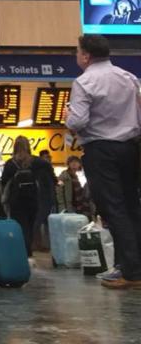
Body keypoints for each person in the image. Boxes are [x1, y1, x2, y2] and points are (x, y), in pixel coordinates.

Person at [65, 34, 141, 289]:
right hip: (129, 148)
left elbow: (77, 122)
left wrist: (68, 115)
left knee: (113, 209)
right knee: (131, 207)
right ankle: (128, 264)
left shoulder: (84, 82)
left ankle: (130, 272)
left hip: (100, 150)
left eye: (77, 51)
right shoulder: (129, 78)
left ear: (86, 55)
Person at [1, 136, 52, 259]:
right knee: (30, 226)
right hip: (33, 198)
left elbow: (4, 181)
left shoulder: (10, 163)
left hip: (16, 200)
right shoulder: (36, 161)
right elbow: (48, 167)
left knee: (19, 226)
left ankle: (21, 252)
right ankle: (29, 252)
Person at [34, 149, 58, 251]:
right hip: (43, 199)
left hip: (48, 199)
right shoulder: (43, 170)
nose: (48, 159)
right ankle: (39, 245)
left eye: (49, 157)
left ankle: (46, 244)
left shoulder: (46, 169)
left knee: (47, 223)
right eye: (46, 157)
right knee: (40, 222)